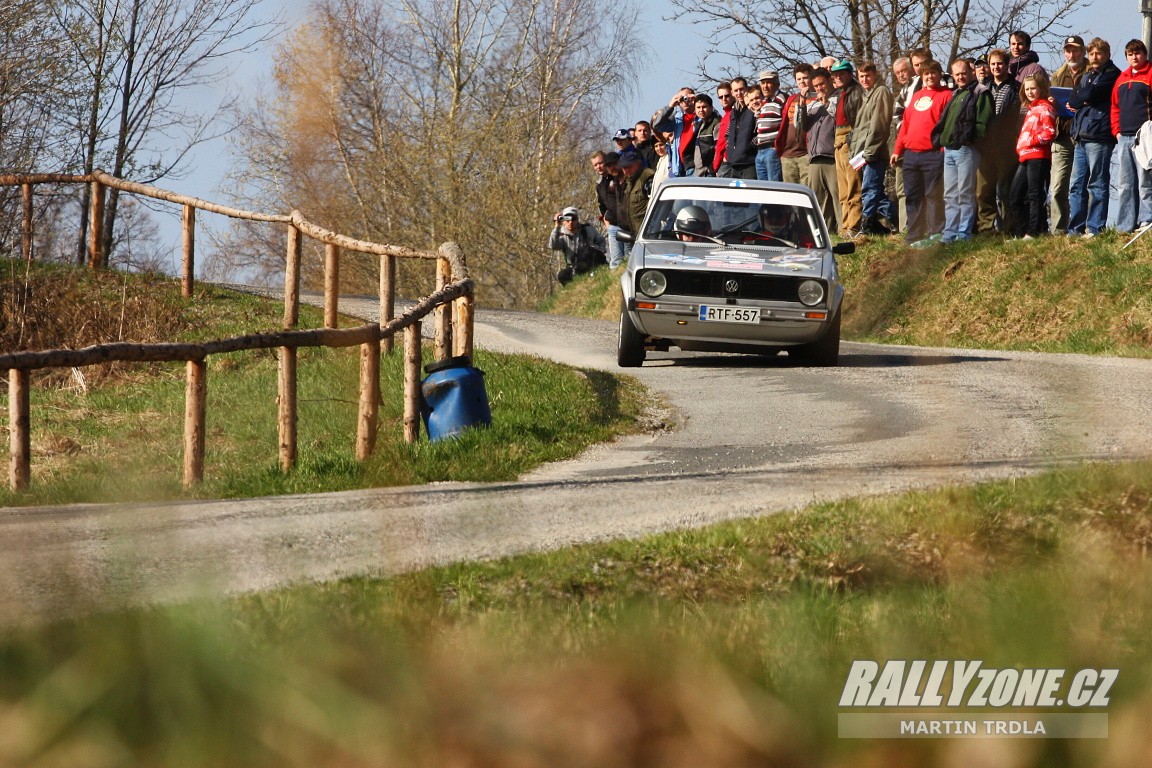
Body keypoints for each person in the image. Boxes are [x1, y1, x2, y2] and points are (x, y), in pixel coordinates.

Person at [891, 59, 952, 246]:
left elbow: (948, 125)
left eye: (934, 72)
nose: (930, 76)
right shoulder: (916, 96)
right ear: (922, 76)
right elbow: (906, 126)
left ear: (940, 75)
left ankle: (935, 233)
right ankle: (914, 234)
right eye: (926, 73)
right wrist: (897, 150)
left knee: (933, 195)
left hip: (933, 153)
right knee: (913, 196)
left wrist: (942, 148)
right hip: (911, 154)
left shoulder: (947, 95)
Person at [934, 58, 993, 242]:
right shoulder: (956, 94)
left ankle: (963, 234)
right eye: (957, 74)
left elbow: (984, 124)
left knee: (965, 192)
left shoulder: (981, 92)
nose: (960, 77)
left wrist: (969, 140)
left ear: (971, 72)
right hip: (950, 150)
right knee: (950, 193)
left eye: (963, 73)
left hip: (966, 149)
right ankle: (949, 234)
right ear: (952, 75)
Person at [1068, 38, 1121, 238]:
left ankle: (1095, 227)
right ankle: (1075, 229)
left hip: (1100, 134)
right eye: (1091, 54)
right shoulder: (1087, 74)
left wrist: (1084, 96)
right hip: (1081, 135)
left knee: (1097, 183)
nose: (1094, 57)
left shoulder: (1112, 74)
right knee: (1076, 185)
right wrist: (1084, 96)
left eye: (1099, 53)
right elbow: (1074, 99)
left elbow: (1090, 94)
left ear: (1107, 55)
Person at [976, 48, 1022, 234]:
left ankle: (1008, 229)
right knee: (983, 191)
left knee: (1005, 191)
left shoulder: (1016, 87)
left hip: (1007, 146)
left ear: (1007, 65)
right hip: (985, 147)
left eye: (999, 63)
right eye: (993, 63)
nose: (996, 67)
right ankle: (986, 229)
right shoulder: (982, 88)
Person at [1110, 38, 1152, 233]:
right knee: (1125, 183)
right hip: (1124, 137)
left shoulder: (1150, 74)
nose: (1134, 57)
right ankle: (1125, 225)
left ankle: (1147, 220)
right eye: (1130, 54)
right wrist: (1116, 131)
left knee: (1145, 181)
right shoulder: (1121, 78)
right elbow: (1114, 107)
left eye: (1137, 53)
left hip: (1144, 136)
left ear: (1144, 54)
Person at [850, 62, 895, 235]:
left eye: (868, 75)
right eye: (861, 76)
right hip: (863, 152)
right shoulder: (866, 95)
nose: (864, 79)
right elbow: (862, 128)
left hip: (874, 153)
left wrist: (869, 152)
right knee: (874, 191)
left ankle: (866, 227)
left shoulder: (881, 92)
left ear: (875, 74)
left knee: (870, 189)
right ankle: (895, 220)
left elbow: (878, 126)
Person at [1011, 73, 1057, 238]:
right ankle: (1020, 232)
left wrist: (1030, 140)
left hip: (1038, 155)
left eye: (1033, 88)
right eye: (1027, 89)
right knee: (1015, 195)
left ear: (1041, 89)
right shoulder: (1030, 109)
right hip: (1024, 156)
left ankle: (1033, 231)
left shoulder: (1046, 107)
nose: (1030, 92)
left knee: (1034, 195)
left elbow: (1049, 132)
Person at [1049, 36, 1087, 234]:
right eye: (1068, 50)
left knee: (1081, 185)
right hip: (1062, 135)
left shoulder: (1091, 73)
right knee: (1057, 187)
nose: (1072, 54)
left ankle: (1082, 227)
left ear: (1083, 52)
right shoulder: (1057, 75)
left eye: (1076, 50)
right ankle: (1058, 230)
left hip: (1083, 135)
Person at [830, 59, 865, 238]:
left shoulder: (857, 91)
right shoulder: (839, 93)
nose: (838, 76)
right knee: (843, 189)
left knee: (854, 186)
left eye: (841, 73)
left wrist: (853, 141)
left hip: (851, 142)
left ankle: (854, 226)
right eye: (835, 74)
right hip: (838, 141)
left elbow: (861, 121)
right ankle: (844, 227)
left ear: (850, 73)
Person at [806, 67, 841, 234]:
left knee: (838, 196)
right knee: (819, 200)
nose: (819, 88)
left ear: (829, 80)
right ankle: (826, 234)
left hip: (832, 156)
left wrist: (826, 103)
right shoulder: (812, 103)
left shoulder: (839, 98)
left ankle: (843, 230)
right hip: (814, 157)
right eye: (816, 86)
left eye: (821, 84)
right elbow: (802, 126)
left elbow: (840, 119)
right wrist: (801, 103)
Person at [776, 63, 814, 186]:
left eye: (805, 78)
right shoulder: (791, 99)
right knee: (790, 191)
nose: (802, 82)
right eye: (799, 79)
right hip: (787, 154)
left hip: (805, 153)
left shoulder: (817, 98)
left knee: (806, 188)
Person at [548, 207, 606, 285]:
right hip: (574, 267)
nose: (570, 222)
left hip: (589, 262)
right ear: (563, 221)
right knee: (562, 275)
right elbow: (553, 246)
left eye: (573, 219)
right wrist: (557, 227)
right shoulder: (561, 234)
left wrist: (601, 251)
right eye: (567, 220)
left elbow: (601, 240)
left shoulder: (587, 230)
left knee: (593, 252)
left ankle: (596, 275)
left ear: (577, 219)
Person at [591, 150, 628, 267]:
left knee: (629, 259)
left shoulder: (618, 176)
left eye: (600, 163)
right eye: (595, 165)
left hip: (627, 225)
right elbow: (602, 207)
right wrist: (607, 223)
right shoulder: (599, 185)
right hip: (613, 226)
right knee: (615, 261)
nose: (598, 167)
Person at [754, 70, 786, 181]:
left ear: (777, 84)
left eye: (768, 82)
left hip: (772, 150)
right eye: (763, 83)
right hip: (760, 151)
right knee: (763, 189)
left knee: (774, 186)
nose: (765, 86)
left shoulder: (782, 99)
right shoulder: (763, 103)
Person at [725, 77, 759, 179]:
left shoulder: (753, 107)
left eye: (741, 89)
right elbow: (728, 133)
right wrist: (729, 149)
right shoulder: (734, 110)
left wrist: (750, 146)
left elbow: (761, 130)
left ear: (746, 88)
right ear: (732, 92)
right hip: (734, 163)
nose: (739, 93)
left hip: (750, 162)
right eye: (736, 90)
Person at [619, 149, 656, 236]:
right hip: (636, 233)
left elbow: (654, 206)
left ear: (638, 163)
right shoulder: (629, 180)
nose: (627, 170)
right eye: (624, 168)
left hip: (649, 232)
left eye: (629, 166)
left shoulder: (648, 177)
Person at [691, 94, 722, 176]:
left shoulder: (717, 124)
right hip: (699, 172)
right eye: (698, 107)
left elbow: (719, 148)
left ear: (711, 108)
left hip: (710, 172)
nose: (701, 110)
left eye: (704, 107)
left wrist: (713, 168)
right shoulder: (699, 125)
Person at [712, 81, 736, 177]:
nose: (724, 99)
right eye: (721, 97)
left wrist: (716, 164)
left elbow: (722, 143)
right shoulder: (725, 116)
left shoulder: (733, 114)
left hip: (727, 162)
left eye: (727, 96)